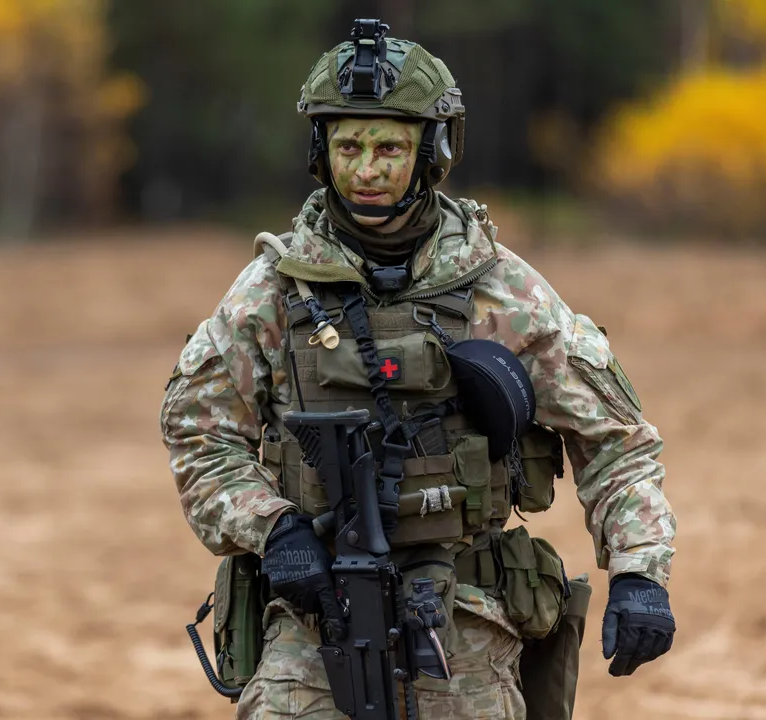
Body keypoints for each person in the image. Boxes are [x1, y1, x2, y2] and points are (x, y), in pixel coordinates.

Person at [160, 20, 676, 720]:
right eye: (348, 147)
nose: (366, 170)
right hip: (316, 609)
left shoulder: (503, 292)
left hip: (463, 608)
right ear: (321, 152)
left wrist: (641, 571)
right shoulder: (274, 292)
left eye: (389, 148)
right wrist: (273, 530)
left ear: (432, 152)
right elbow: (198, 429)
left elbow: (615, 439)